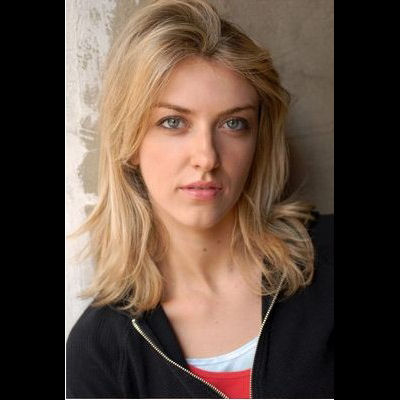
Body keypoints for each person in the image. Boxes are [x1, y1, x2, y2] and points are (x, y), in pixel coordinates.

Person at [66, 0, 333, 398]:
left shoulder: (327, 259)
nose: (207, 157)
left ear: (258, 139)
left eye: (233, 123)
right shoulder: (99, 351)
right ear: (130, 140)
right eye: (173, 122)